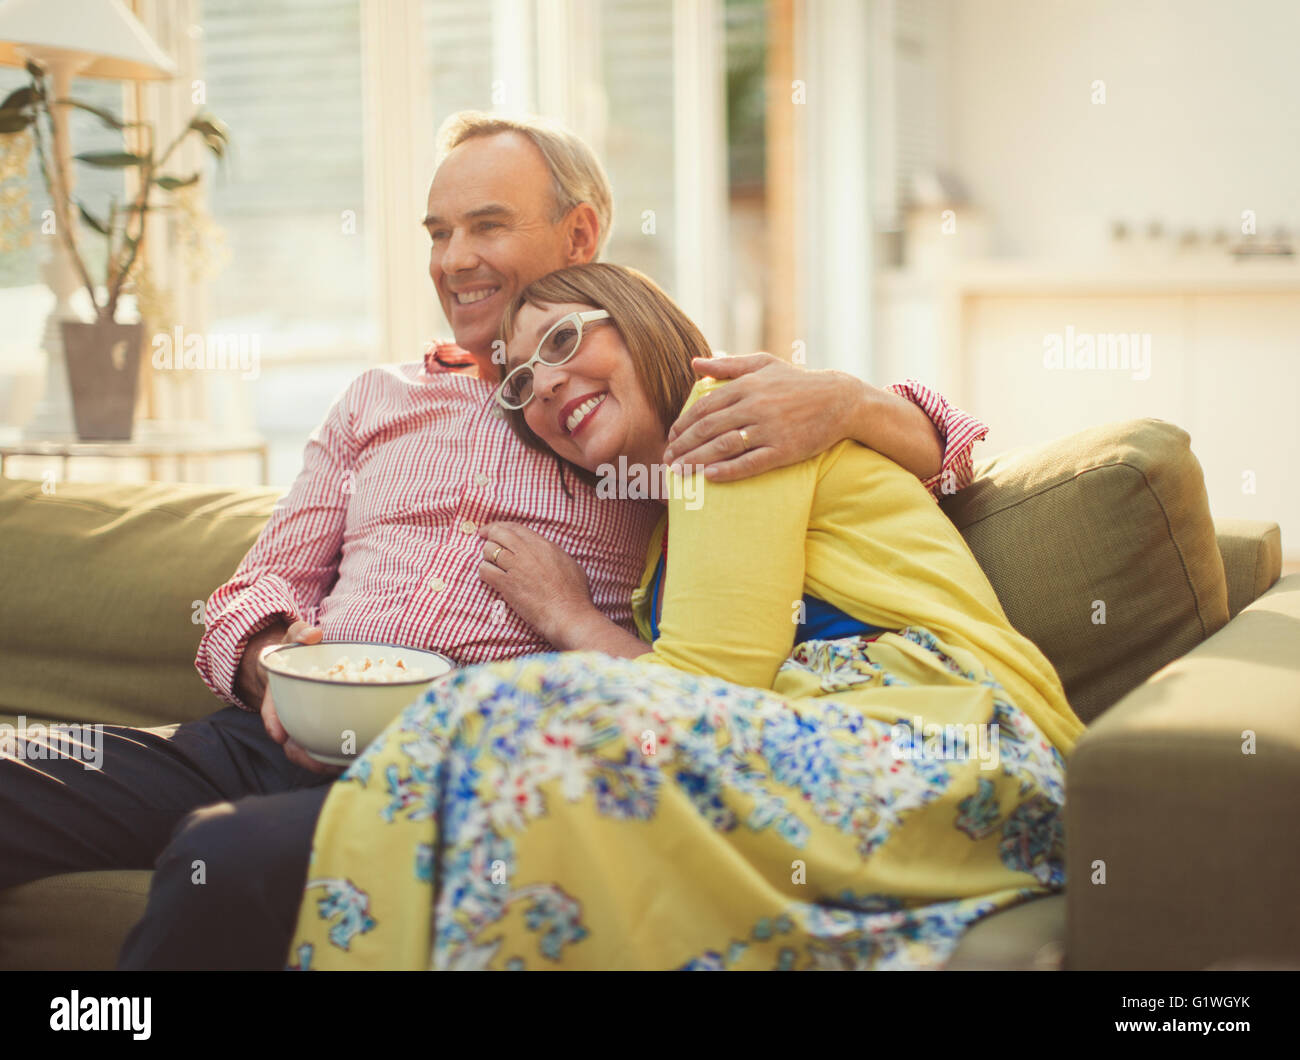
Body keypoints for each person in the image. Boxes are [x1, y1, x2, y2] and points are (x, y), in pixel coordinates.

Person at [0, 113, 984, 971]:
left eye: (484, 224)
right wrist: (268, 667)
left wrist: (852, 398)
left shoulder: (636, 403)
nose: (451, 257)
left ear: (581, 232)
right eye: (436, 232)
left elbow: (941, 452)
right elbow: (252, 585)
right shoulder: (377, 399)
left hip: (458, 760)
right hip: (268, 736)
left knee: (222, 862)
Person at [287, 263, 1085, 971]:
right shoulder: (668, 535)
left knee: (498, 714)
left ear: (636, 319)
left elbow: (709, 685)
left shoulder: (732, 417)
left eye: (562, 340)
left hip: (954, 741)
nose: (548, 383)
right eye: (522, 382)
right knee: (488, 762)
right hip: (859, 749)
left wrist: (569, 619)